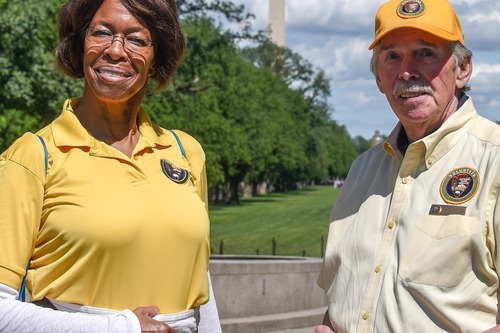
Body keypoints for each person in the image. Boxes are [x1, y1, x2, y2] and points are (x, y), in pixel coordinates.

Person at [0, 0, 222, 332]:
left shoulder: (185, 151)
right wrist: (120, 327)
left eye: (135, 39)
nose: (115, 50)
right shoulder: (34, 156)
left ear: (157, 57)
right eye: (101, 33)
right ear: (80, 44)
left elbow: (199, 286)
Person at [314, 0, 500, 332]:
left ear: (463, 69)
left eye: (426, 53)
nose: (406, 71)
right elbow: (342, 290)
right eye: (392, 56)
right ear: (379, 80)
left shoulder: (495, 160)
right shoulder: (361, 170)